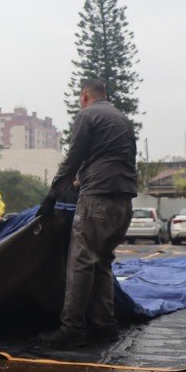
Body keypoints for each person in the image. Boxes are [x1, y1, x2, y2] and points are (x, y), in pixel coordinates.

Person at [37, 79, 137, 347]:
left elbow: (74, 157)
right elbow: (115, 158)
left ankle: (72, 329)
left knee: (80, 261)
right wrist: (85, 177)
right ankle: (105, 326)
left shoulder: (87, 114)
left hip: (98, 200)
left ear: (84, 97)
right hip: (124, 202)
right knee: (102, 261)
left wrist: (52, 194)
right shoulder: (122, 119)